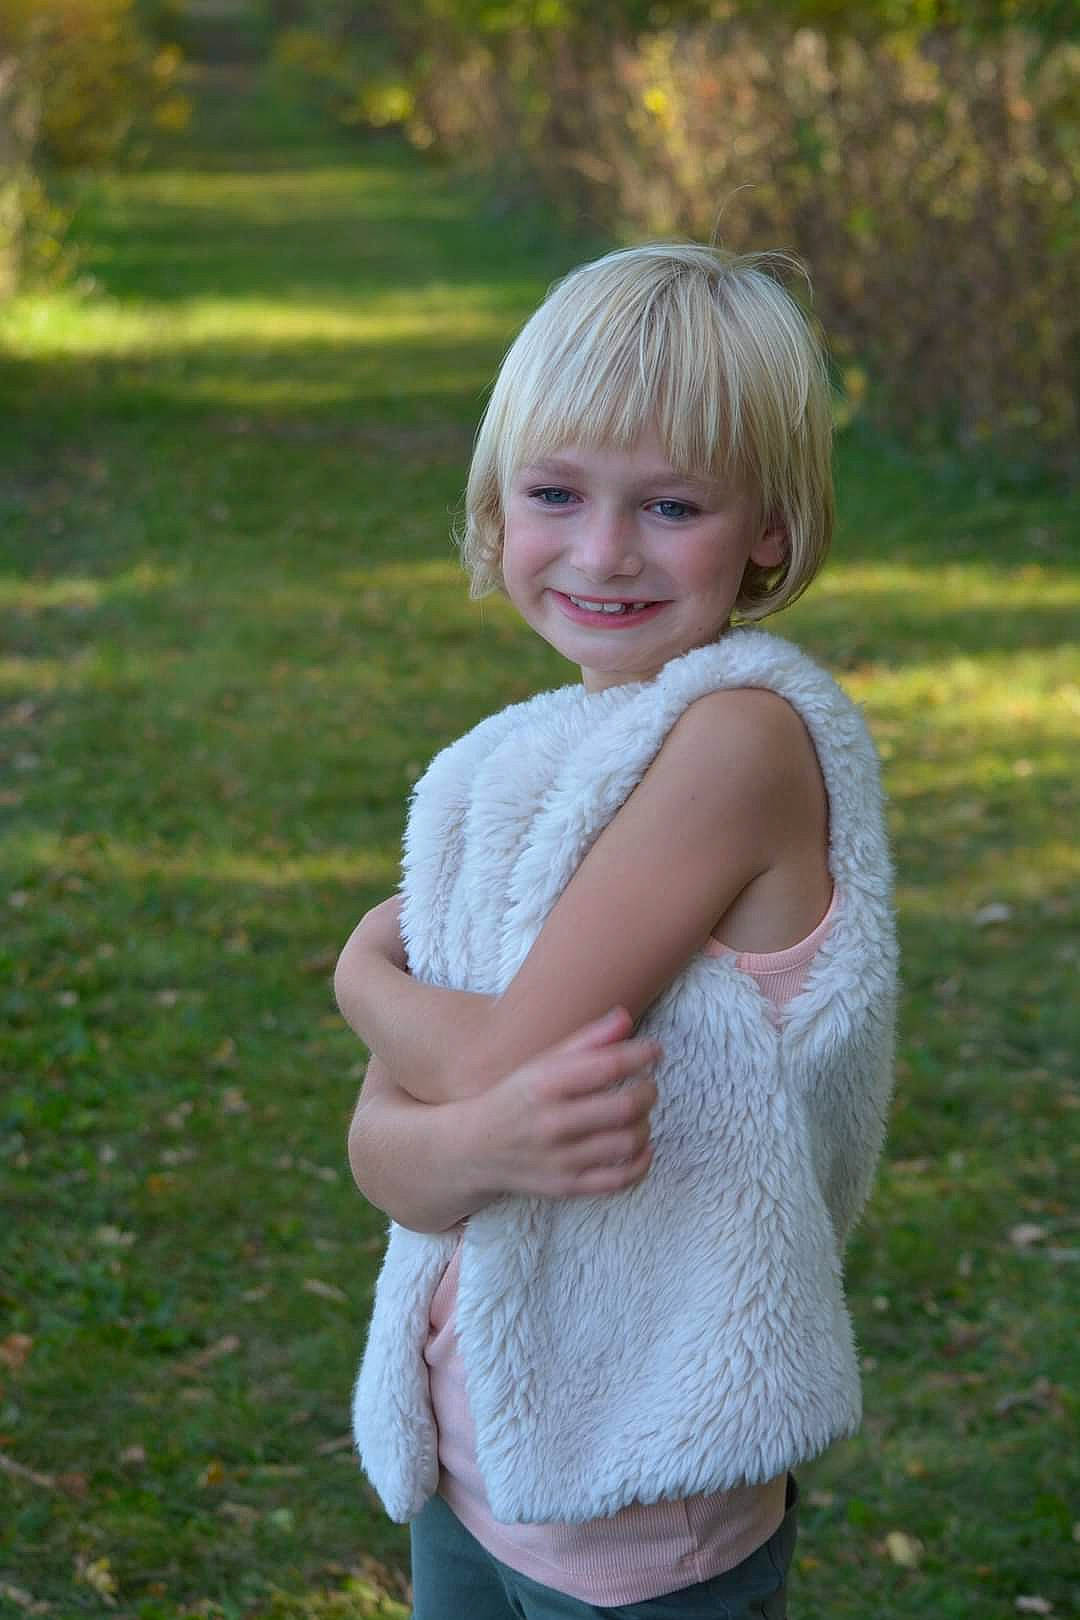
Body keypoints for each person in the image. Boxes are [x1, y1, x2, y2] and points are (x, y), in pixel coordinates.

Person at [334, 240, 898, 1620]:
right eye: (555, 493)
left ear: (769, 529)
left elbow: (493, 1063)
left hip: (647, 1492)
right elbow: (387, 1163)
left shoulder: (743, 742)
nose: (602, 551)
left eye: (672, 504)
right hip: (475, 1467)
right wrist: (466, 1143)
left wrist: (359, 980)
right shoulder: (514, 766)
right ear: (496, 505)